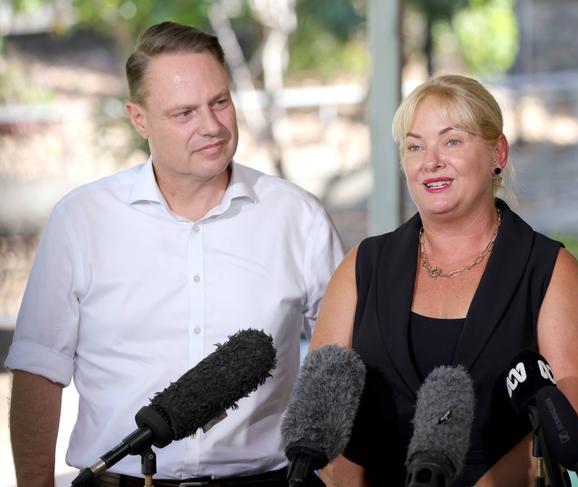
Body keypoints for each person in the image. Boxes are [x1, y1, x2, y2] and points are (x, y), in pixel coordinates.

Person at [5, 21, 343, 487]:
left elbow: (345, 364)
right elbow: (38, 370)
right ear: (138, 118)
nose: (211, 126)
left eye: (220, 102)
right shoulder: (81, 220)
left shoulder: (298, 217)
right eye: (184, 113)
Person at [310, 74, 578, 486]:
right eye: (415, 146)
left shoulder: (550, 271)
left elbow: (576, 420)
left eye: (451, 141)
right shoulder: (363, 268)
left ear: (496, 152)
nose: (431, 161)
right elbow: (322, 419)